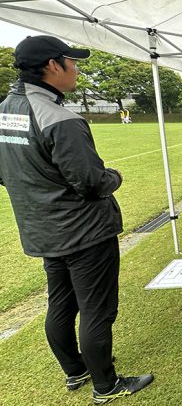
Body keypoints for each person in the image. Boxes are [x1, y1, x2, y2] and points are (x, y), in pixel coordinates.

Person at [0, 35, 153, 403]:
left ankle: (75, 370)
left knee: (61, 303)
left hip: (44, 231)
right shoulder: (59, 118)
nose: (78, 69)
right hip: (84, 233)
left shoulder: (5, 111)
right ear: (53, 66)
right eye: (73, 62)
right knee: (96, 309)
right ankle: (106, 384)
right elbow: (90, 182)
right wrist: (114, 176)